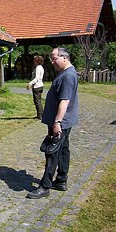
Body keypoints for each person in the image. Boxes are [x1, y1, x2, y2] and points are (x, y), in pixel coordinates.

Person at [27, 47, 79, 199]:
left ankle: (45, 186)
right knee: (63, 149)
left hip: (61, 122)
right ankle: (61, 180)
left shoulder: (68, 76)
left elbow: (64, 101)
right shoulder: (66, 73)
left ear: (64, 58)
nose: (52, 61)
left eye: (54, 58)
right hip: (64, 121)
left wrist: (57, 122)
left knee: (52, 152)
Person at [26, 55, 44, 119]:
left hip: (37, 86)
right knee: (38, 101)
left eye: (34, 60)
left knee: (37, 102)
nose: (33, 61)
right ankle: (40, 114)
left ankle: (40, 115)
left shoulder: (38, 68)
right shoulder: (40, 67)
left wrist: (30, 83)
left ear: (37, 61)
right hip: (40, 85)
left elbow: (37, 78)